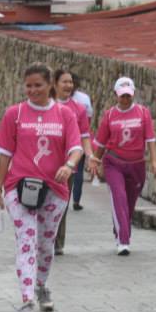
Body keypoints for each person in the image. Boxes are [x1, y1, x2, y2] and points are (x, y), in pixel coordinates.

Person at [0, 63, 82, 312]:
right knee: (26, 241)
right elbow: (4, 155)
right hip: (20, 187)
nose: (33, 90)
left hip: (54, 189)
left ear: (49, 84)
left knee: (45, 244)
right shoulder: (14, 114)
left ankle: (41, 285)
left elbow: (76, 148)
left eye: (38, 85)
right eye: (28, 85)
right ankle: (26, 298)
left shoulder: (65, 115)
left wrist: (69, 165)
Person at [89, 77, 156, 256]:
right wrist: (95, 162)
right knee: (119, 197)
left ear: (133, 94)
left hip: (136, 165)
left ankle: (120, 229)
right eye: (122, 96)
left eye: (128, 96)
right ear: (116, 95)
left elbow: (150, 139)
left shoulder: (143, 113)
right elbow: (101, 143)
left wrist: (154, 161)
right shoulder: (110, 115)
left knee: (129, 203)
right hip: (114, 163)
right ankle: (123, 240)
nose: (125, 99)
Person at [52, 69, 93, 255]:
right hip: (44, 164)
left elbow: (85, 137)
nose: (68, 85)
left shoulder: (79, 109)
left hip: (68, 166)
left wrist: (90, 156)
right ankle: (42, 238)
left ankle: (57, 243)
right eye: (64, 82)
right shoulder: (47, 105)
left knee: (62, 204)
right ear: (54, 84)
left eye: (70, 82)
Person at [69, 73, 94, 211]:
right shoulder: (84, 99)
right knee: (77, 172)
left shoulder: (82, 99)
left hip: (77, 142)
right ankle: (75, 200)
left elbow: (87, 123)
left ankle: (74, 199)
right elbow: (88, 122)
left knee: (77, 172)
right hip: (78, 141)